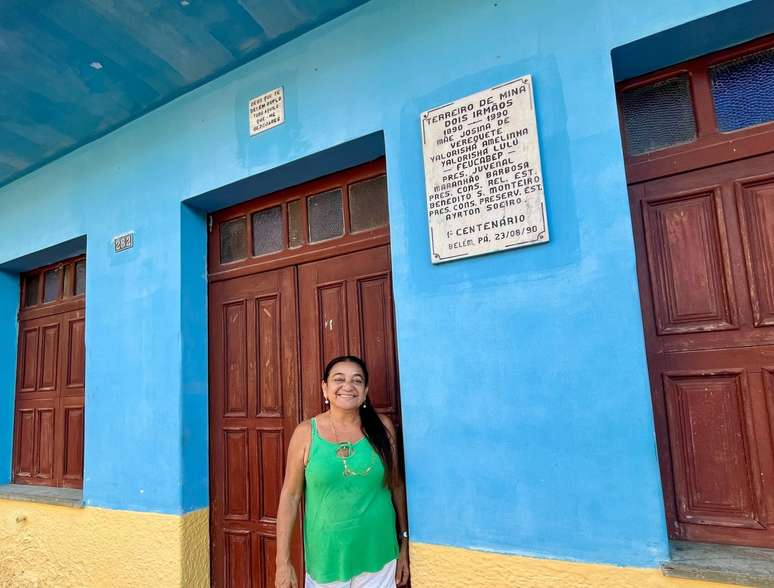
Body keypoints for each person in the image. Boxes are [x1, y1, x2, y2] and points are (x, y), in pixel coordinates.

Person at [275, 355, 410, 588]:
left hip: (380, 556)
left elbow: (395, 485)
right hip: (327, 561)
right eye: (339, 379)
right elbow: (290, 496)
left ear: (366, 391)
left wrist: (404, 542)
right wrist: (282, 562)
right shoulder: (306, 433)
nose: (348, 386)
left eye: (357, 381)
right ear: (325, 388)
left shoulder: (383, 429)